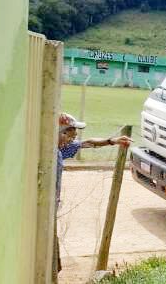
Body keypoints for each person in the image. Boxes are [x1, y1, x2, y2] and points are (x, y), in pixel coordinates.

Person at [54, 113, 131, 272]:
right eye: (71, 133)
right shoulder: (50, 154)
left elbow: (87, 143)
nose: (73, 137)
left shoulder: (61, 150)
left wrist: (111, 141)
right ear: (61, 132)